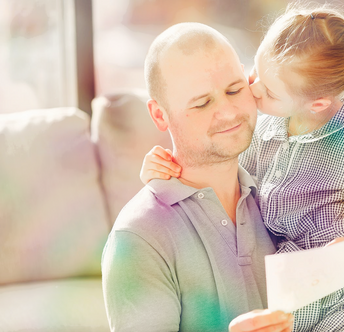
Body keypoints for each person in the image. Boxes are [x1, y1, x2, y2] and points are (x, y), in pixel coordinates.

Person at [140, 3, 344, 332]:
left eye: (270, 91)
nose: (252, 91)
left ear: (316, 103)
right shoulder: (265, 130)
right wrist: (163, 173)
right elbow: (222, 184)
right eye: (255, 74)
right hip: (298, 294)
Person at [101, 22, 295, 332]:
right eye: (202, 103)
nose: (229, 111)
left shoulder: (285, 185)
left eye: (235, 89)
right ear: (160, 116)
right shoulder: (139, 238)